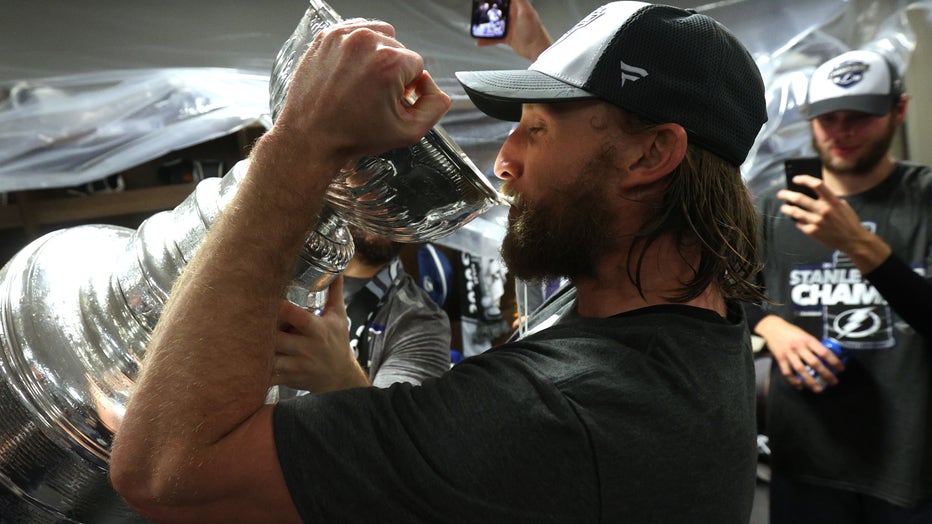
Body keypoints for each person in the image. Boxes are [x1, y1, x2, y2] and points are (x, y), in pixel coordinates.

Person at [109, 3, 768, 522]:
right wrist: (345, 380)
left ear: (651, 157)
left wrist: (297, 145)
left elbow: (167, 472)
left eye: (535, 130)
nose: (505, 162)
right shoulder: (691, 312)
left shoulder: (559, 410)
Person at [746, 49, 932, 522]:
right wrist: (774, 327)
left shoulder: (925, 200)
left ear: (899, 111)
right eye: (828, 117)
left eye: (860, 116)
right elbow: (736, 295)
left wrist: (856, 243)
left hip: (909, 465)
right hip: (806, 462)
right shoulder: (774, 209)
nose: (842, 130)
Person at [276, 225, 451, 395]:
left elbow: (396, 424)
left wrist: (342, 377)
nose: (386, 210)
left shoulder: (422, 322)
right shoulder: (275, 248)